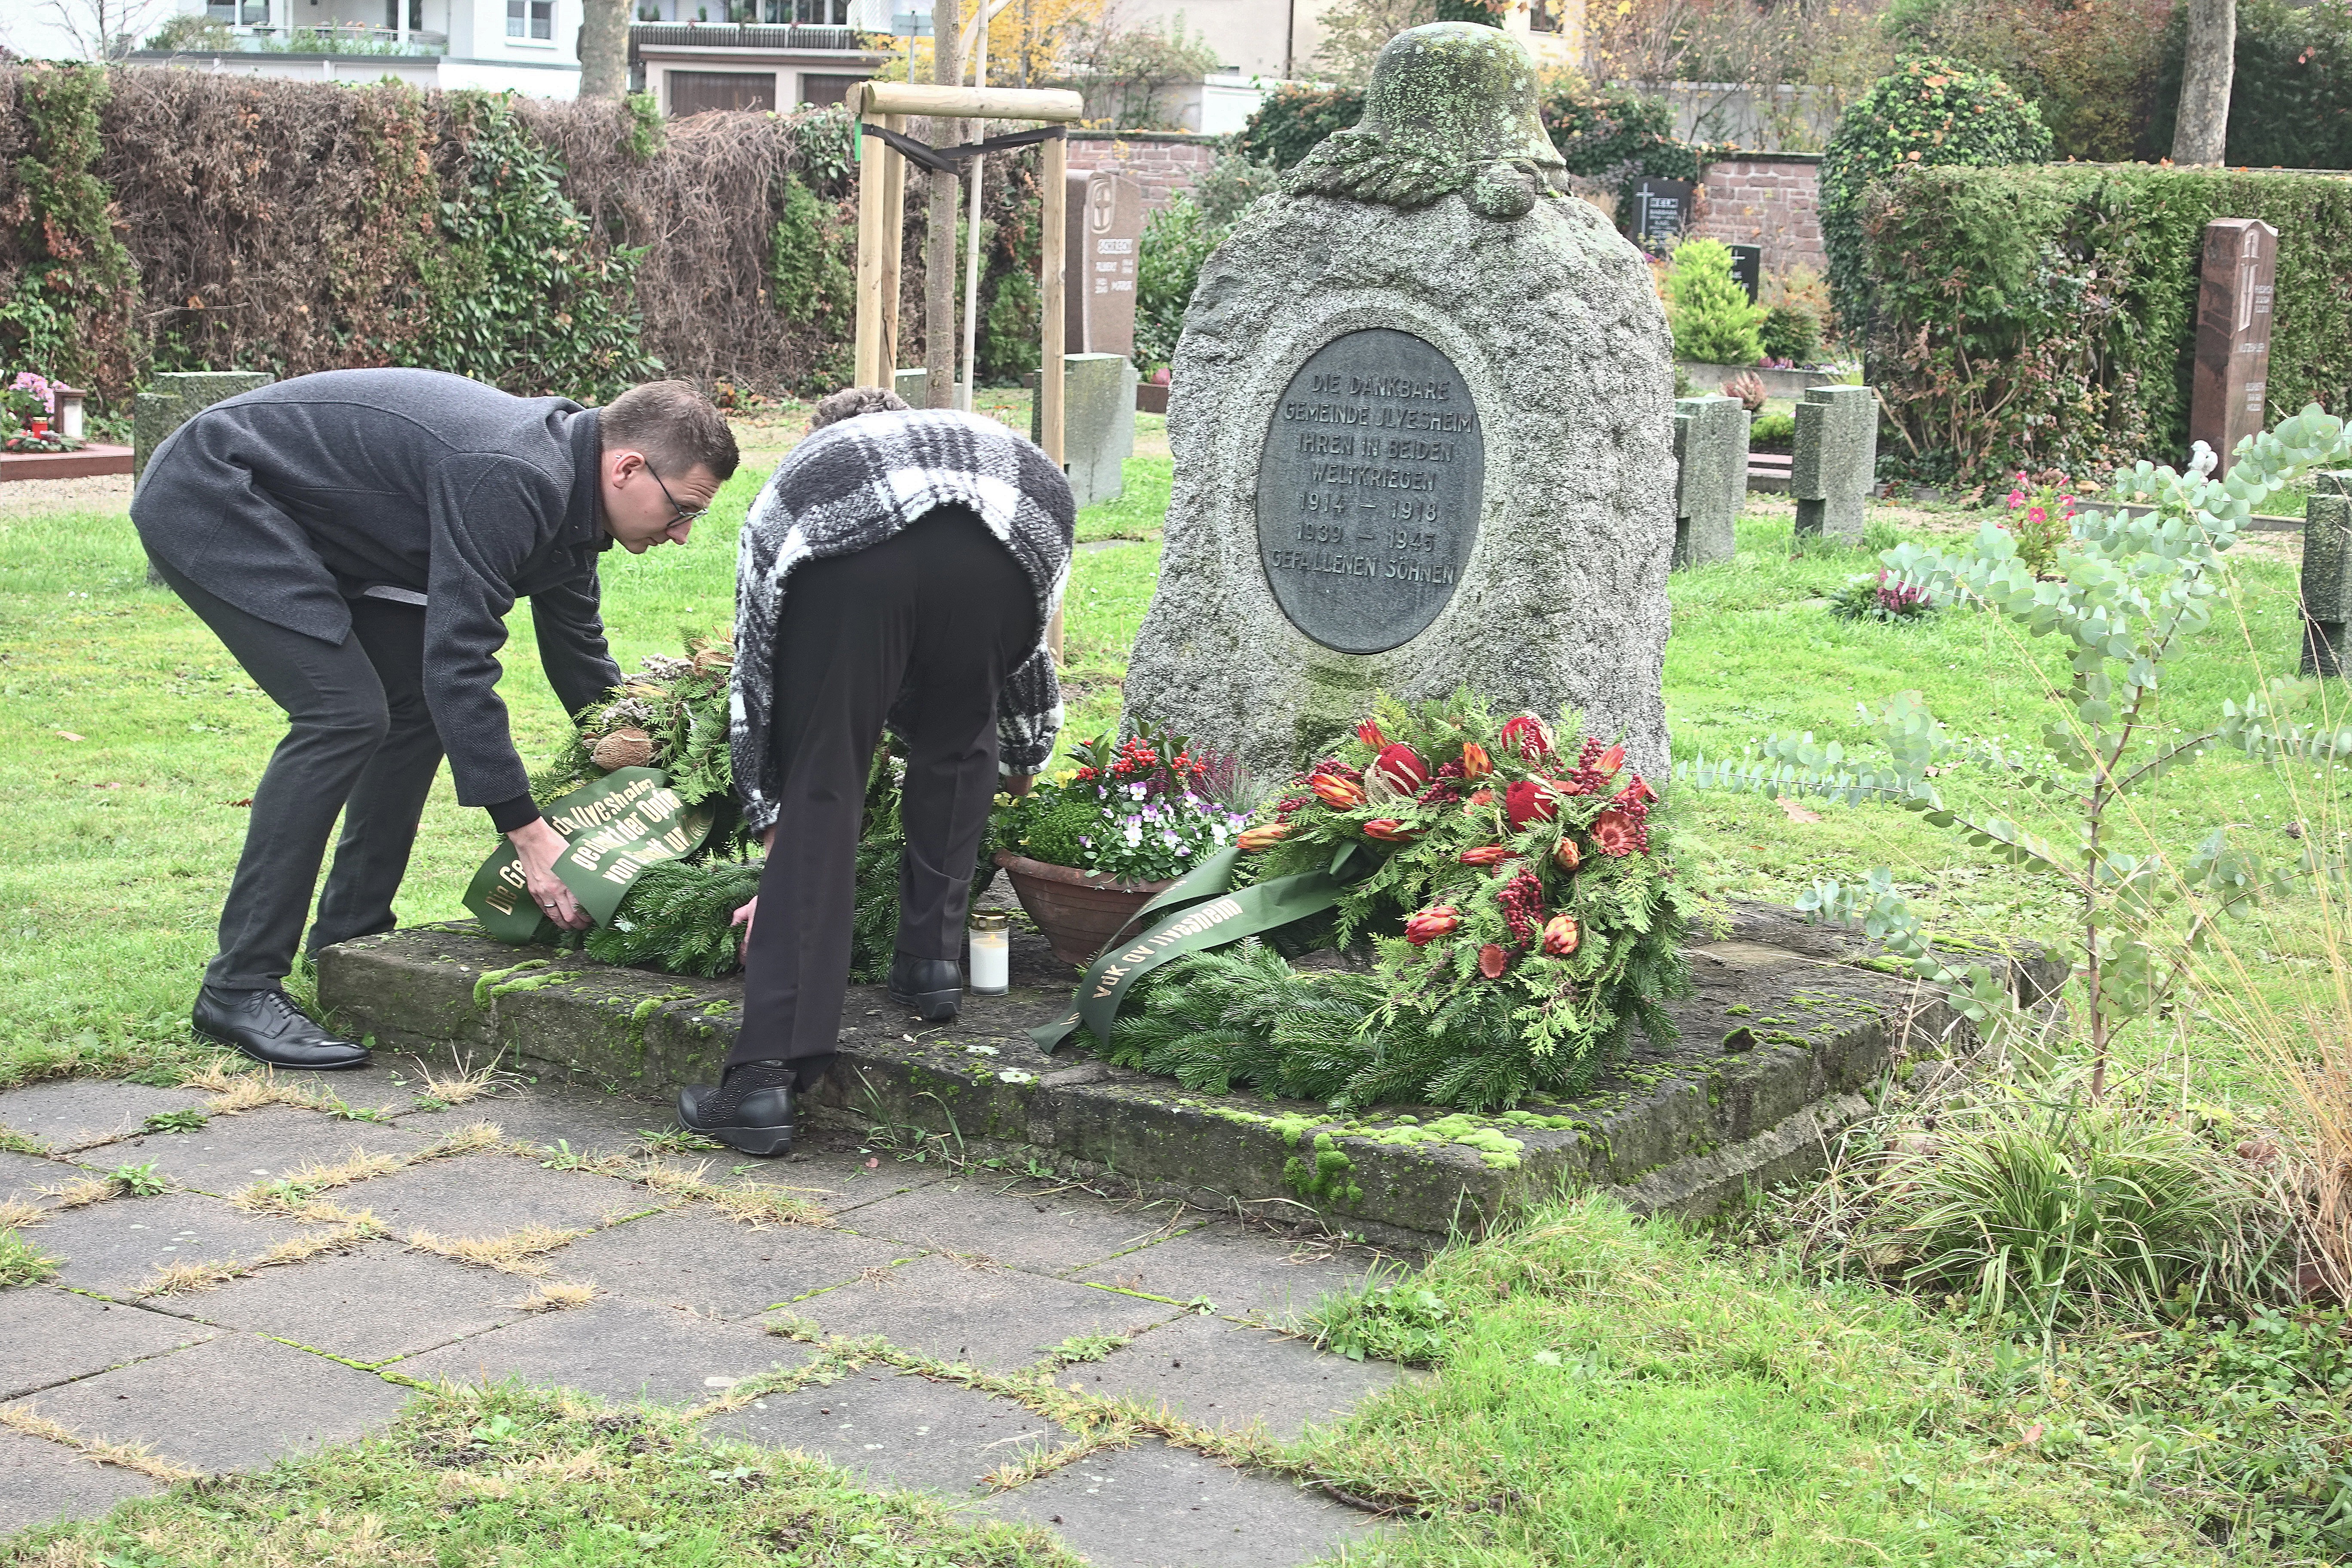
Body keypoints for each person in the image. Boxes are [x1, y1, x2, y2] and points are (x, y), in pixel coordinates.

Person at [133, 370, 739, 1071]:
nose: (685, 534)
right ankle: (238, 987)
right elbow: (460, 662)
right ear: (627, 467)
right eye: (682, 509)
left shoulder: (570, 495)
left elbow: (578, 655)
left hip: (326, 525)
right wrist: (530, 836)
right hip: (218, 492)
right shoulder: (512, 475)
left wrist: (657, 773)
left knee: (411, 708)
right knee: (343, 715)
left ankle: (350, 940)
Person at [676, 386, 1073, 1156]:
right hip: (1021, 527)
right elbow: (1024, 665)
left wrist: (769, 805)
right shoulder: (981, 443)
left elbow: (757, 657)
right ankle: (930, 966)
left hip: (849, 573)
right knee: (962, 736)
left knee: (825, 776)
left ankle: (762, 1084)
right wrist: (1025, 750)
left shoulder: (813, 473)